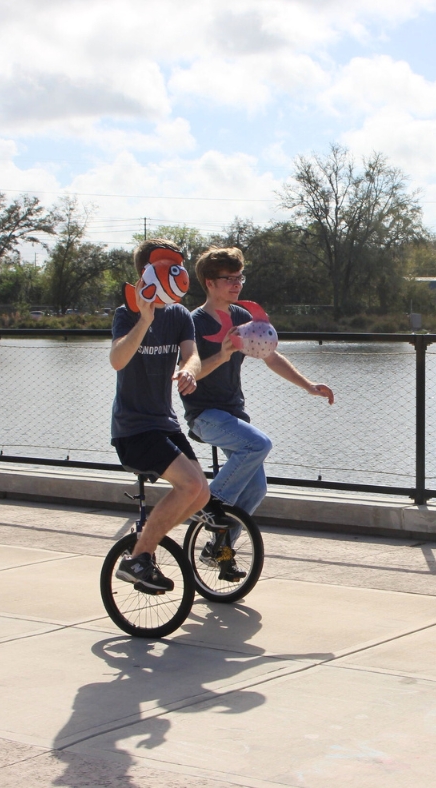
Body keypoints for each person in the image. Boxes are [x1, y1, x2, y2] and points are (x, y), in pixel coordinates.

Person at [181, 246, 334, 579]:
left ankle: (218, 551)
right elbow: (189, 371)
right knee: (258, 444)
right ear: (209, 282)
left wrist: (307, 385)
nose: (236, 284)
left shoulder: (241, 318)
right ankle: (207, 504)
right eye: (228, 279)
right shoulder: (193, 323)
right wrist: (221, 356)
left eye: (239, 278)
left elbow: (270, 356)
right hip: (204, 414)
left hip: (232, 413)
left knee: (255, 490)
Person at [109, 239, 210, 592]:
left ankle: (146, 543)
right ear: (145, 273)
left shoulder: (180, 315)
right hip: (133, 429)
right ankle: (139, 556)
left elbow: (192, 354)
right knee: (191, 485)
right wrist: (144, 319)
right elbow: (117, 360)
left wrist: (188, 371)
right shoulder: (127, 312)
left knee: (202, 495)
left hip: (164, 422)